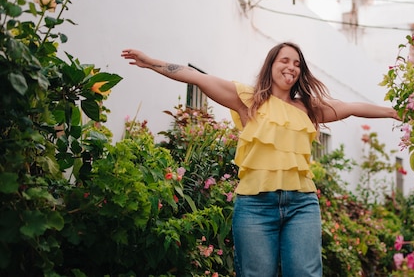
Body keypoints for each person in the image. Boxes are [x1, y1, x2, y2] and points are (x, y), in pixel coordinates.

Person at [121, 42, 399, 277]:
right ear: (271, 65)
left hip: (302, 204)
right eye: (285, 60)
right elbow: (196, 77)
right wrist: (150, 63)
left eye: (297, 64)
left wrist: (391, 112)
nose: (291, 67)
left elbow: (351, 107)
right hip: (255, 205)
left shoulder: (308, 109)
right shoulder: (248, 99)